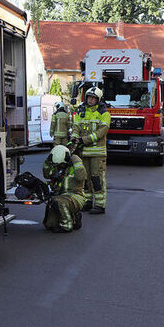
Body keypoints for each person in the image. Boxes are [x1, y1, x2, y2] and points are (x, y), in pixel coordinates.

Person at [71, 86, 111, 214]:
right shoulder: (80, 111)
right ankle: (88, 202)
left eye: (93, 98)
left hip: (97, 153)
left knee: (97, 178)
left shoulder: (104, 113)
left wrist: (85, 139)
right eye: (89, 97)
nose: (90, 100)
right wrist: (74, 138)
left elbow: (102, 131)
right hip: (83, 152)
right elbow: (76, 127)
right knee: (85, 179)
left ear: (98, 100)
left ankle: (100, 205)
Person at [42, 145, 87, 233]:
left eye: (61, 164)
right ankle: (74, 219)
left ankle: (67, 226)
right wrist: (48, 160)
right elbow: (46, 174)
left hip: (76, 196)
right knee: (49, 224)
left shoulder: (75, 167)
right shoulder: (57, 168)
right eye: (57, 164)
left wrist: (76, 160)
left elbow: (81, 177)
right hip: (61, 196)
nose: (59, 166)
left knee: (59, 201)